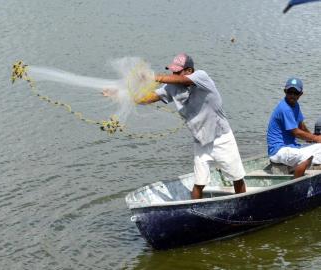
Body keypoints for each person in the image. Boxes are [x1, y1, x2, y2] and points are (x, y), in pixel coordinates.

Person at [104, 53, 246, 199]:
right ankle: (194, 210)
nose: (174, 74)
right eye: (173, 71)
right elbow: (150, 97)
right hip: (201, 141)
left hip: (221, 137)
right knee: (199, 182)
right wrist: (121, 94)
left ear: (189, 71)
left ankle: (243, 204)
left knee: (237, 177)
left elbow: (182, 79)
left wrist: (153, 76)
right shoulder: (173, 87)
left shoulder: (202, 77)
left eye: (177, 71)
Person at [267, 77, 321, 178]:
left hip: (291, 148)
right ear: (285, 91)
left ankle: (296, 169)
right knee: (307, 157)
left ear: (300, 94)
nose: (292, 95)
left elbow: (301, 125)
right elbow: (296, 132)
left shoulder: (295, 105)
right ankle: (295, 182)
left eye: (295, 93)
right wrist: (316, 138)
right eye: (289, 92)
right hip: (279, 151)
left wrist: (312, 138)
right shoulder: (284, 108)